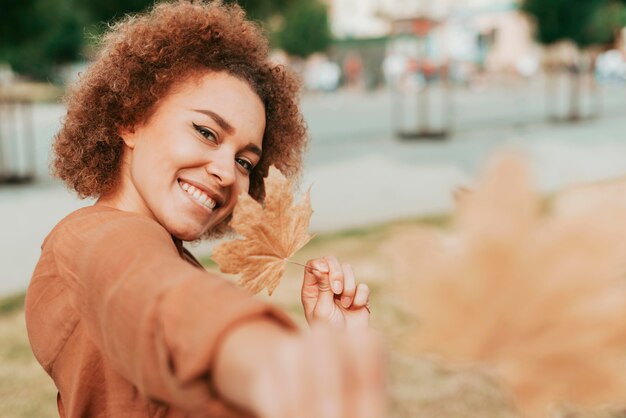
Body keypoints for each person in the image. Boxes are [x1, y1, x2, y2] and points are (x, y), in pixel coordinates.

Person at [24, 1, 384, 417]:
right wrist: (272, 356)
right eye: (206, 132)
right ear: (130, 120)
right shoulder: (97, 238)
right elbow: (164, 302)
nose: (227, 173)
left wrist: (335, 347)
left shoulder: (169, 253)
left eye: (245, 161)